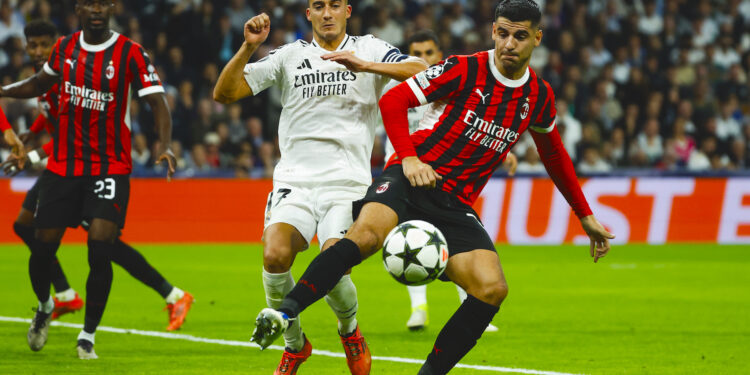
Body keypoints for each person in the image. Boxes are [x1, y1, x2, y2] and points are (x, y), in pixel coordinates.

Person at [250, 1, 615, 374]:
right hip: (409, 179)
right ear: (493, 32)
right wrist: (409, 158)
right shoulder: (464, 67)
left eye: (520, 36)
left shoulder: (537, 96)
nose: (509, 43)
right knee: (366, 236)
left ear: (536, 38)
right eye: (503, 33)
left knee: (492, 288)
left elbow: (555, 157)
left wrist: (585, 215)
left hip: (456, 202)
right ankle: (284, 311)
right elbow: (395, 99)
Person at [213, 1, 427, 373]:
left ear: (347, 11)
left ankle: (350, 330)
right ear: (308, 14)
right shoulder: (289, 55)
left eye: (333, 6)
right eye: (318, 6)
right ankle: (295, 345)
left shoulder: (372, 48)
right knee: (275, 256)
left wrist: (368, 66)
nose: (326, 13)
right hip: (295, 180)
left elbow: (422, 70)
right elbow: (225, 93)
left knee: (334, 264)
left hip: (348, 183)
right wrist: (248, 47)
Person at [0, 0, 184, 359]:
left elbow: (158, 102)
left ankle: (88, 335)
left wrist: (166, 145)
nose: (96, 9)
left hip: (109, 166)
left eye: (103, 3)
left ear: (112, 7)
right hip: (64, 167)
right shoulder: (66, 48)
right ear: (78, 9)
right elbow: (40, 83)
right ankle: (45, 305)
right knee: (41, 249)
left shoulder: (131, 53)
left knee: (101, 248)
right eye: (89, 4)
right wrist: (5, 91)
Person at [383, 30, 514, 332]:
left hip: (446, 173)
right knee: (413, 239)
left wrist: (501, 153)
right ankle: (418, 309)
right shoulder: (396, 86)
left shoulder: (452, 84)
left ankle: (470, 300)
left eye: (428, 53)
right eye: (415, 53)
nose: (422, 59)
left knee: (455, 241)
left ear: (439, 56)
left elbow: (479, 126)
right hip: (406, 172)